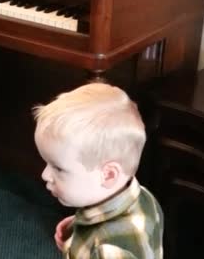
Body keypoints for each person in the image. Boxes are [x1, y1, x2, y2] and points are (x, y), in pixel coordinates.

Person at [33, 82, 163, 259]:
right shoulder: (145, 198)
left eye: (59, 168)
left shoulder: (110, 252)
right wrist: (79, 229)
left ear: (108, 175)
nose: (45, 175)